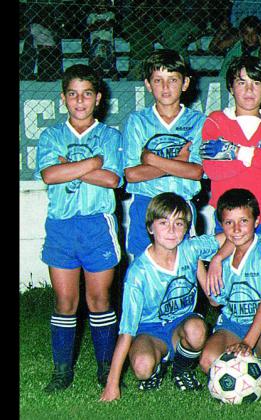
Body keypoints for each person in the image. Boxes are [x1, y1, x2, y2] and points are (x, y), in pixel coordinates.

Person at [36, 64, 123, 393]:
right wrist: (92, 163)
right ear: (63, 98)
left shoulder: (110, 135)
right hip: (60, 226)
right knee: (65, 302)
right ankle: (62, 371)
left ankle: (105, 367)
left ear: (98, 98)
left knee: (99, 299)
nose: (80, 100)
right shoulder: (51, 135)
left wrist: (67, 167)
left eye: (87, 93)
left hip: (96, 225)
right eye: (72, 94)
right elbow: (48, 176)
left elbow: (112, 180)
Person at [100, 193, 225, 401]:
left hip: (180, 325)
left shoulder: (190, 249)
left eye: (179, 223)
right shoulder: (138, 273)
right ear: (150, 228)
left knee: (196, 330)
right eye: (163, 222)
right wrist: (112, 384)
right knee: (142, 368)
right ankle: (156, 368)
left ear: (186, 229)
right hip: (149, 331)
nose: (171, 230)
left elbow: (232, 235)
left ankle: (181, 369)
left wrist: (218, 258)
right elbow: (126, 331)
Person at [198, 189, 261, 395]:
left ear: (256, 221)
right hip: (232, 324)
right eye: (229, 223)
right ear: (221, 225)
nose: (236, 229)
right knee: (207, 362)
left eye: (243, 221)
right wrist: (199, 263)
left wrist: (247, 343)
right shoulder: (222, 257)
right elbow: (215, 302)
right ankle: (253, 364)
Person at [201, 56, 261, 244]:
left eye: (256, 82)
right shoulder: (216, 120)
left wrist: (234, 151)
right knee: (226, 271)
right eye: (241, 82)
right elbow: (214, 170)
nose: (249, 90)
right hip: (227, 218)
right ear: (230, 87)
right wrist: (260, 151)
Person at [122, 49, 205, 259]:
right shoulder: (137, 121)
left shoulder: (199, 122)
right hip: (146, 204)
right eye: (158, 80)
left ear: (185, 83)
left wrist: (152, 160)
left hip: (182, 205)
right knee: (142, 269)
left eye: (173, 80)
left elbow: (196, 171)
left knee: (184, 269)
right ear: (148, 85)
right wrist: (177, 163)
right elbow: (132, 174)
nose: (166, 87)